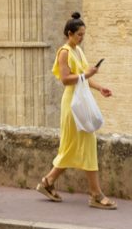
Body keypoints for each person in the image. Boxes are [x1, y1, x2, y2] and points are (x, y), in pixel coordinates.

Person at [37, 11, 116, 209]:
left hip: (80, 101)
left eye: (83, 35)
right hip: (72, 104)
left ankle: (47, 182)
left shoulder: (78, 51)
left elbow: (83, 77)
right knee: (84, 145)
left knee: (72, 147)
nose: (82, 38)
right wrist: (86, 74)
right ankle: (95, 195)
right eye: (79, 34)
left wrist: (99, 88)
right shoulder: (64, 52)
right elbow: (65, 79)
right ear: (69, 33)